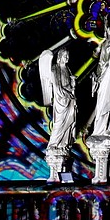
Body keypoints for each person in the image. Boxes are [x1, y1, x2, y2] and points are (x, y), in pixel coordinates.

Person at [41, 47, 77, 180]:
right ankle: (54, 145)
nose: (67, 58)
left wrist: (73, 86)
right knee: (59, 125)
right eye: (65, 56)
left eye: (68, 56)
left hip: (69, 101)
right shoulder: (54, 69)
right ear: (60, 57)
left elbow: (69, 86)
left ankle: (64, 145)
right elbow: (57, 87)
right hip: (61, 101)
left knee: (68, 125)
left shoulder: (67, 69)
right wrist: (67, 94)